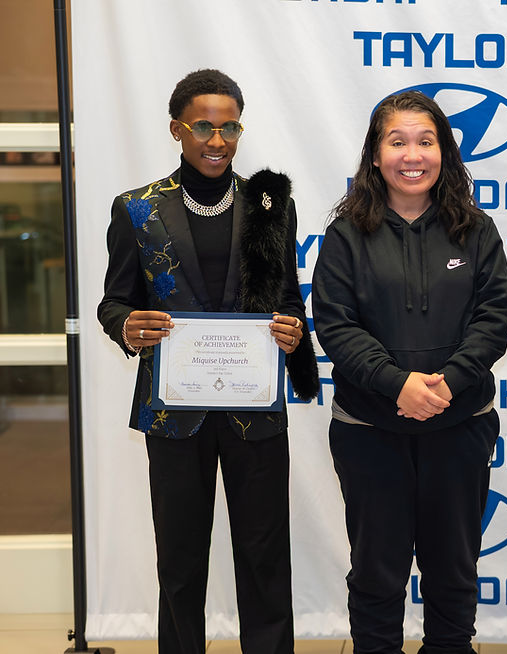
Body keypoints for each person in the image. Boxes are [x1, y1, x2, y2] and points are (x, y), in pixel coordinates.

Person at [97, 69, 319, 654]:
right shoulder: (138, 209)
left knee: (265, 555)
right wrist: (126, 324)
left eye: (229, 127)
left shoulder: (270, 204)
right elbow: (114, 300)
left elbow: (288, 300)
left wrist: (294, 331)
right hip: (175, 412)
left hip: (256, 409)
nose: (217, 140)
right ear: (177, 130)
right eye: (202, 127)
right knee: (180, 558)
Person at [311, 91, 507, 654]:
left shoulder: (476, 230)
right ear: (375, 155)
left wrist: (446, 383)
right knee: (377, 572)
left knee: (454, 570)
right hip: (369, 431)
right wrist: (396, 382)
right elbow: (335, 324)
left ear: (444, 152)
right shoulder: (346, 234)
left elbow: (494, 317)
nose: (412, 154)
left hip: (460, 425)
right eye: (397, 141)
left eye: (426, 142)